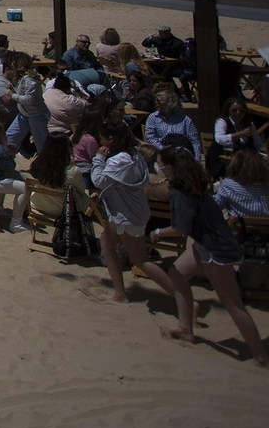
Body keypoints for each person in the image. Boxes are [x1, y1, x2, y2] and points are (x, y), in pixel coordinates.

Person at [151, 146, 268, 366]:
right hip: (207, 242)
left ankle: (260, 356)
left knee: (232, 303)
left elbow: (180, 228)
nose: (161, 169)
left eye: (162, 165)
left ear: (169, 168)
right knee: (176, 273)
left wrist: (158, 232)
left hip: (216, 248)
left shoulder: (180, 191)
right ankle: (186, 328)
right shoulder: (196, 184)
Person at [90, 124, 178, 304]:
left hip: (127, 215)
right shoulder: (134, 154)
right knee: (107, 244)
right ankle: (119, 292)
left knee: (140, 260)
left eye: (102, 138)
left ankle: (182, 297)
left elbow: (98, 180)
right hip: (128, 212)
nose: (100, 141)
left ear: (111, 140)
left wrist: (99, 157)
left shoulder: (121, 160)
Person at [24, 134, 92, 219]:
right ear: (65, 149)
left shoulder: (37, 165)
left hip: (39, 204)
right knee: (85, 191)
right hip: (63, 210)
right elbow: (81, 190)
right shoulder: (73, 171)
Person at [5, 51, 49, 155]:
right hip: (24, 114)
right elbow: (23, 93)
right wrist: (14, 89)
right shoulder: (22, 78)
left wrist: (12, 95)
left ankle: (45, 167)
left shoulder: (30, 80)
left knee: (41, 143)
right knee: (11, 135)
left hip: (36, 115)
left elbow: (29, 99)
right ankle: (8, 158)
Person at [144, 87, 202, 160]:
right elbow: (150, 137)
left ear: (170, 102)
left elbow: (195, 141)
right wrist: (164, 149)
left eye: (159, 100)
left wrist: (196, 159)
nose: (156, 102)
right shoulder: (153, 117)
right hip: (162, 155)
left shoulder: (185, 120)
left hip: (182, 155)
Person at [215, 150, 269, 218]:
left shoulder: (230, 186)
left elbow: (215, 206)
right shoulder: (266, 186)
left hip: (239, 227)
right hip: (265, 227)